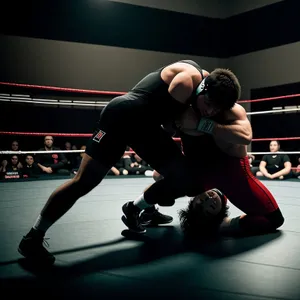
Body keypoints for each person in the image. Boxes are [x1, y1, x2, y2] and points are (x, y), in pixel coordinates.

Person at [18, 60, 241, 265]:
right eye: (209, 103)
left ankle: (144, 208)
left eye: (215, 109)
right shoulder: (186, 82)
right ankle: (34, 236)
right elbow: (172, 126)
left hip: (144, 127)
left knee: (186, 179)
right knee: (84, 182)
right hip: (123, 117)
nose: (209, 111)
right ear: (203, 88)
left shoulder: (203, 86)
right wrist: (201, 127)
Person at [138, 102, 284, 237]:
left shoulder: (193, 184)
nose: (208, 199)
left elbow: (158, 179)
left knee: (160, 176)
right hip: (220, 131)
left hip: (197, 118)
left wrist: (149, 204)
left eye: (200, 203)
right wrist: (226, 225)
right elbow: (275, 220)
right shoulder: (235, 181)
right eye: (212, 206)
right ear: (220, 212)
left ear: (193, 200)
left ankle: (148, 210)